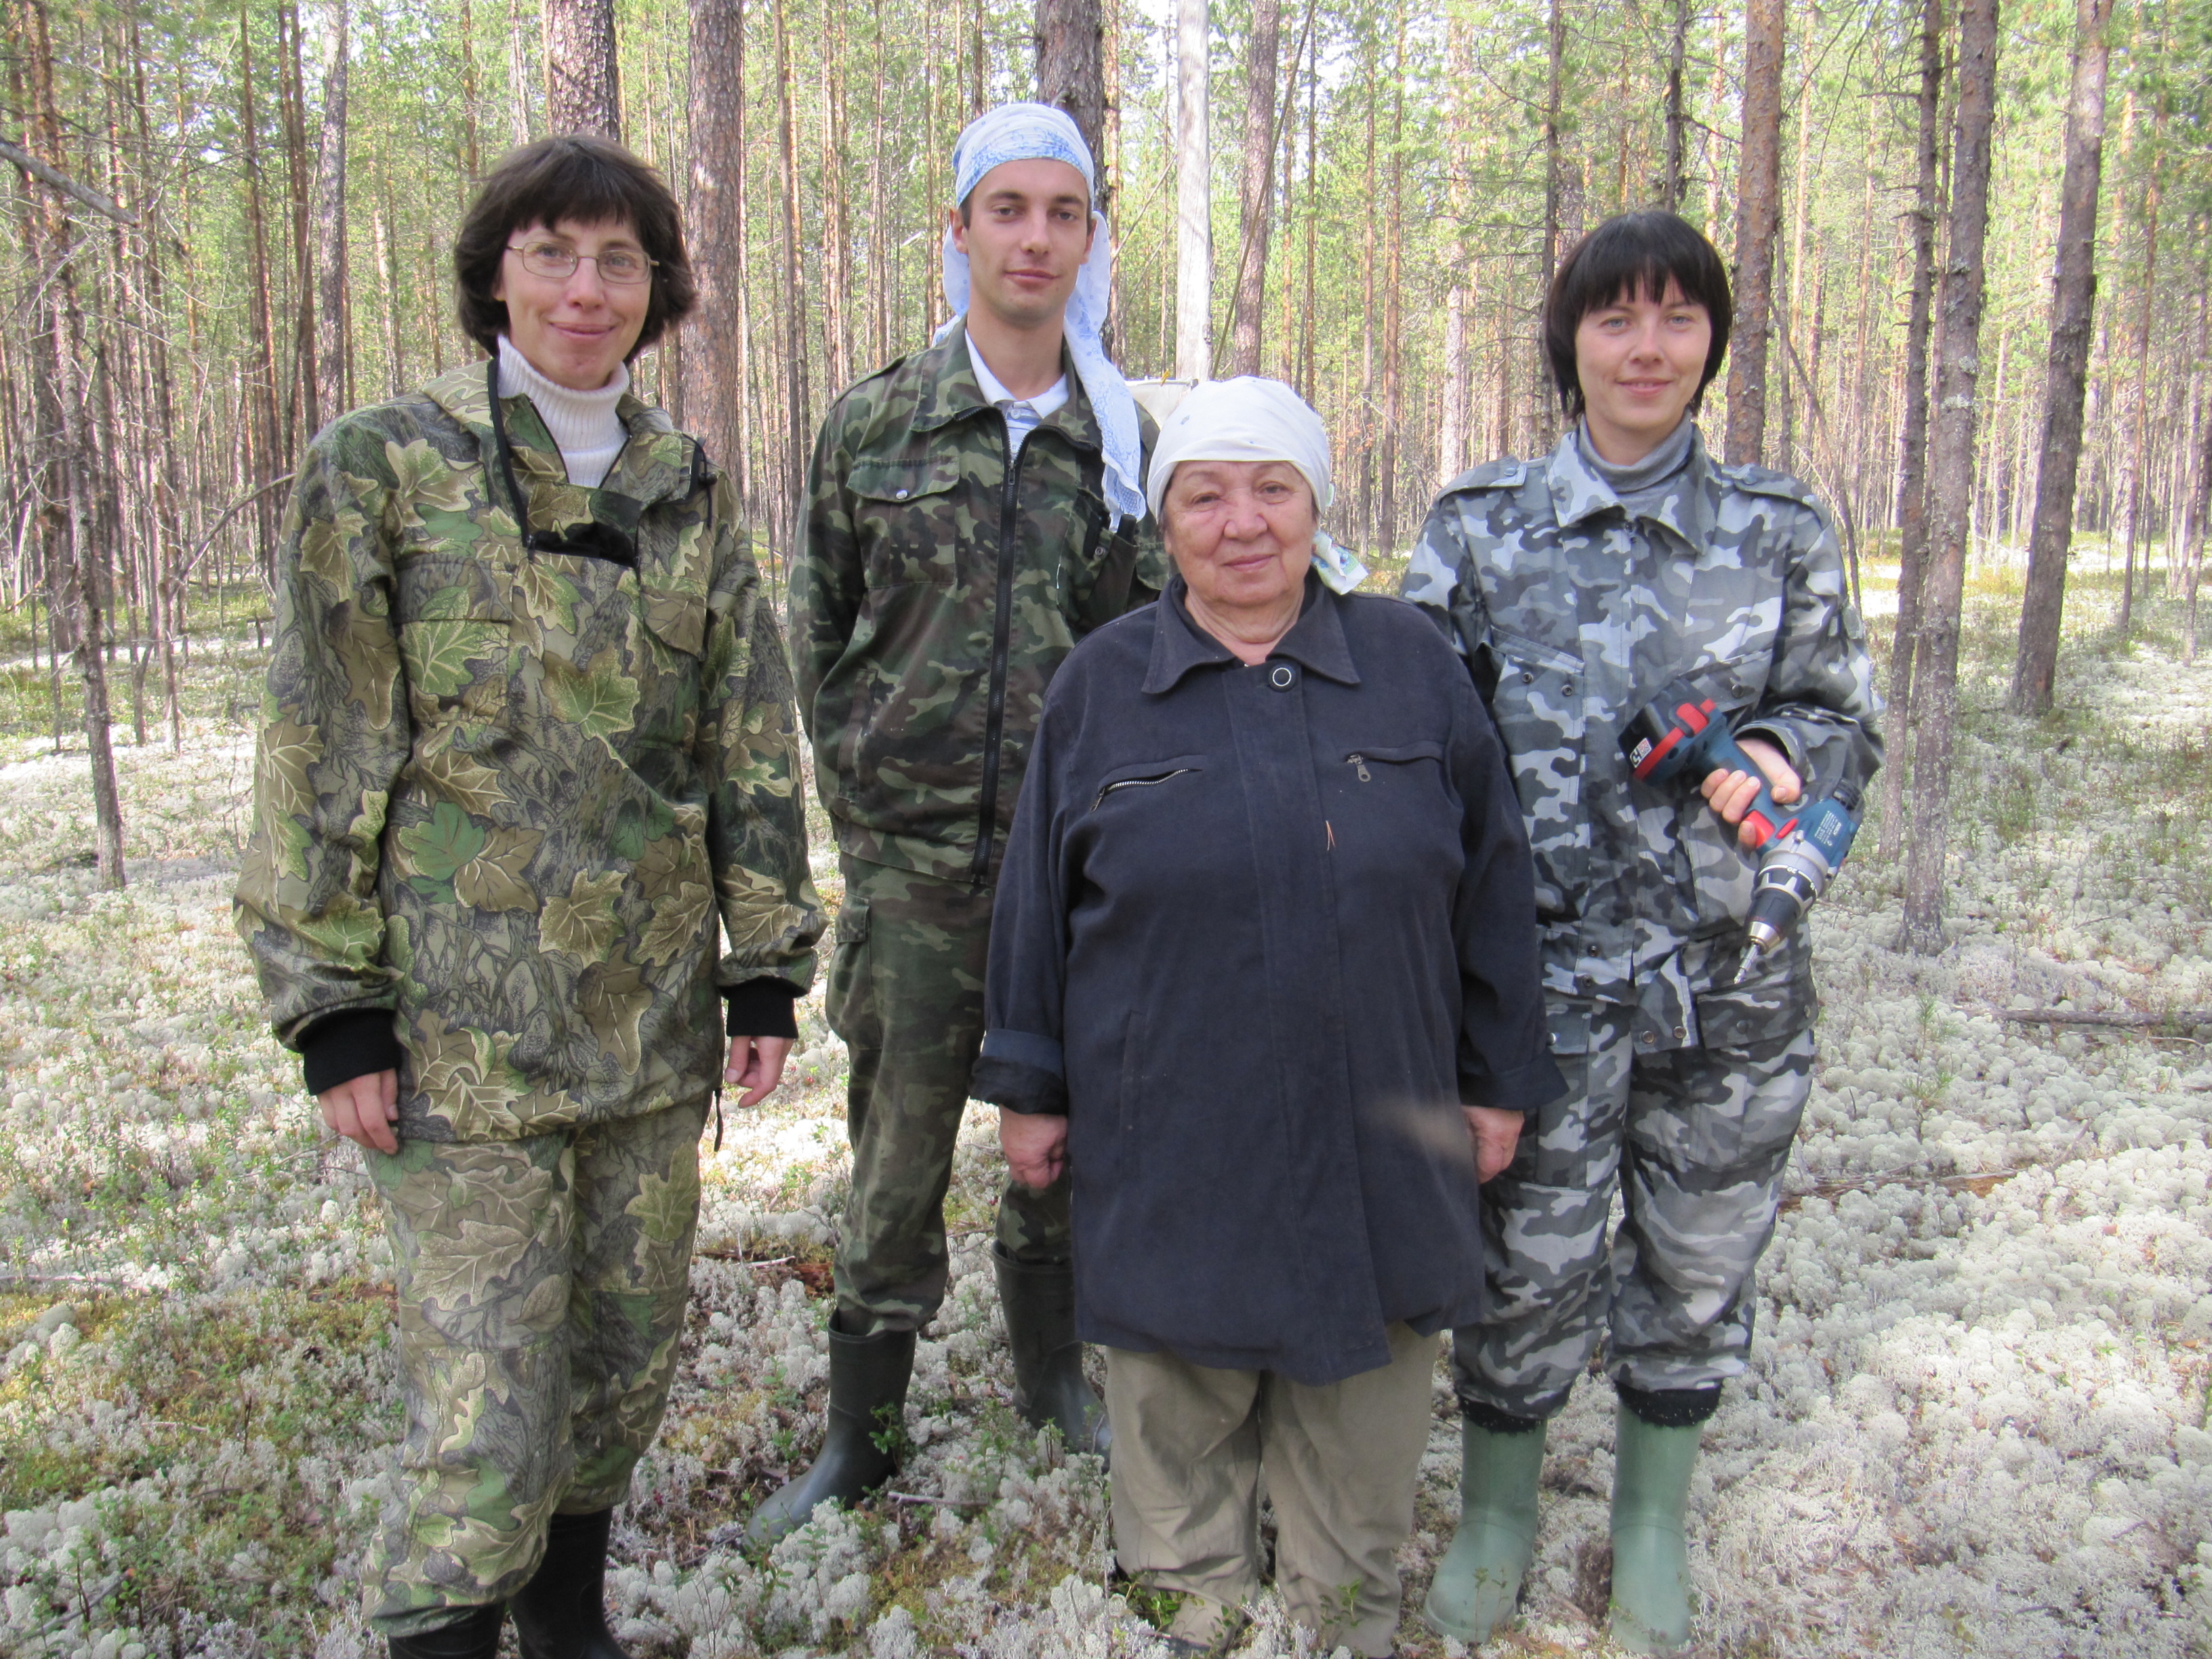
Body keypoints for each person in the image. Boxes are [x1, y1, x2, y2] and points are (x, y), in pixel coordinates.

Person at [234, 136, 822, 1659]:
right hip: (456, 1043)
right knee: (487, 1403)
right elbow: (322, 735)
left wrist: (764, 967)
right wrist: (333, 1010)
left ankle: (572, 1623)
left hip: (643, 1033)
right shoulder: (385, 466)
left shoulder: (680, 486)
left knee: (622, 1363)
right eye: (552, 251)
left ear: (659, 290)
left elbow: (744, 735)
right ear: (496, 271)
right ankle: (442, 1631)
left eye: (619, 259)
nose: (585, 287)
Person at [970, 377, 1565, 1658]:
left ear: (1316, 505)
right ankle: (1190, 1611)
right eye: (1205, 494)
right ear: (1162, 520)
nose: (1242, 523)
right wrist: (1031, 1086)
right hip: (1168, 1125)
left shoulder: (1410, 664)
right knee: (1176, 1408)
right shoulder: (1100, 686)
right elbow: (1032, 905)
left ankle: (1339, 1616)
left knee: (1362, 1419)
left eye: (1273, 489)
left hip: (1387, 1128)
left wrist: (1499, 1077)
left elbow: (1497, 884)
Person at [1401, 210, 1883, 1655]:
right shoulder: (1478, 527)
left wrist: (1787, 755)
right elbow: (1412, 734)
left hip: (1726, 988)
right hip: (1536, 991)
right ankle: (1499, 1514)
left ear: (1712, 345)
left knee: (1694, 1258)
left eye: (1679, 319)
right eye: (1617, 319)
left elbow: (1841, 718)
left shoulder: (1779, 527)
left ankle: (1651, 1522)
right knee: (1523, 1261)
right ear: (1573, 344)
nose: (1648, 347)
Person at [761, 102, 1165, 1542]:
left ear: (1088, 240)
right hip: (917, 878)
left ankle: (1053, 1379)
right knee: (896, 1160)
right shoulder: (876, 423)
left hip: (1071, 882)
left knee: (1062, 1149)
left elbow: (1148, 664)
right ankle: (860, 1438)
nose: (1037, 238)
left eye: (1066, 213)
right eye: (1010, 210)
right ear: (962, 233)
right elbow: (814, 631)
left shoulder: (1125, 445)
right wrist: (868, 807)